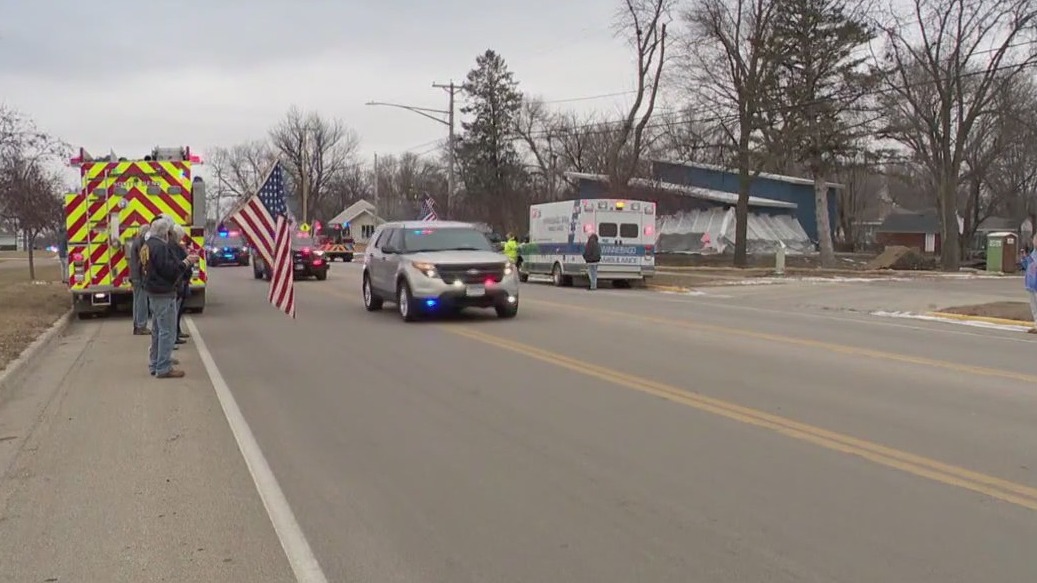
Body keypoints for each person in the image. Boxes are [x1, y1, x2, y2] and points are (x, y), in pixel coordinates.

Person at [142, 216, 197, 378]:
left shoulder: (147, 246)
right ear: (164, 232)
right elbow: (170, 270)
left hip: (153, 291)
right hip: (163, 292)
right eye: (168, 232)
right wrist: (186, 262)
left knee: (157, 330)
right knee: (167, 331)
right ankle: (163, 367)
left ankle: (155, 363)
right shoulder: (160, 248)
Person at [127, 225, 151, 335]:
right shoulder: (141, 242)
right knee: (142, 302)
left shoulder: (136, 241)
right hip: (139, 276)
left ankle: (137, 325)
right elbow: (143, 259)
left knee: (136, 301)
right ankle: (141, 325)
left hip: (134, 275)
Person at [170, 224, 191, 345]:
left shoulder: (176, 247)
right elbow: (178, 265)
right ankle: (175, 335)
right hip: (178, 283)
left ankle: (177, 332)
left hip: (180, 282)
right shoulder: (175, 248)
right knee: (175, 313)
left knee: (177, 311)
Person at [1021, 235, 1037, 334]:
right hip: (1030, 284)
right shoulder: (1033, 253)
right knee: (1034, 307)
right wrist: (1024, 258)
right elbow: (1027, 266)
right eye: (1035, 240)